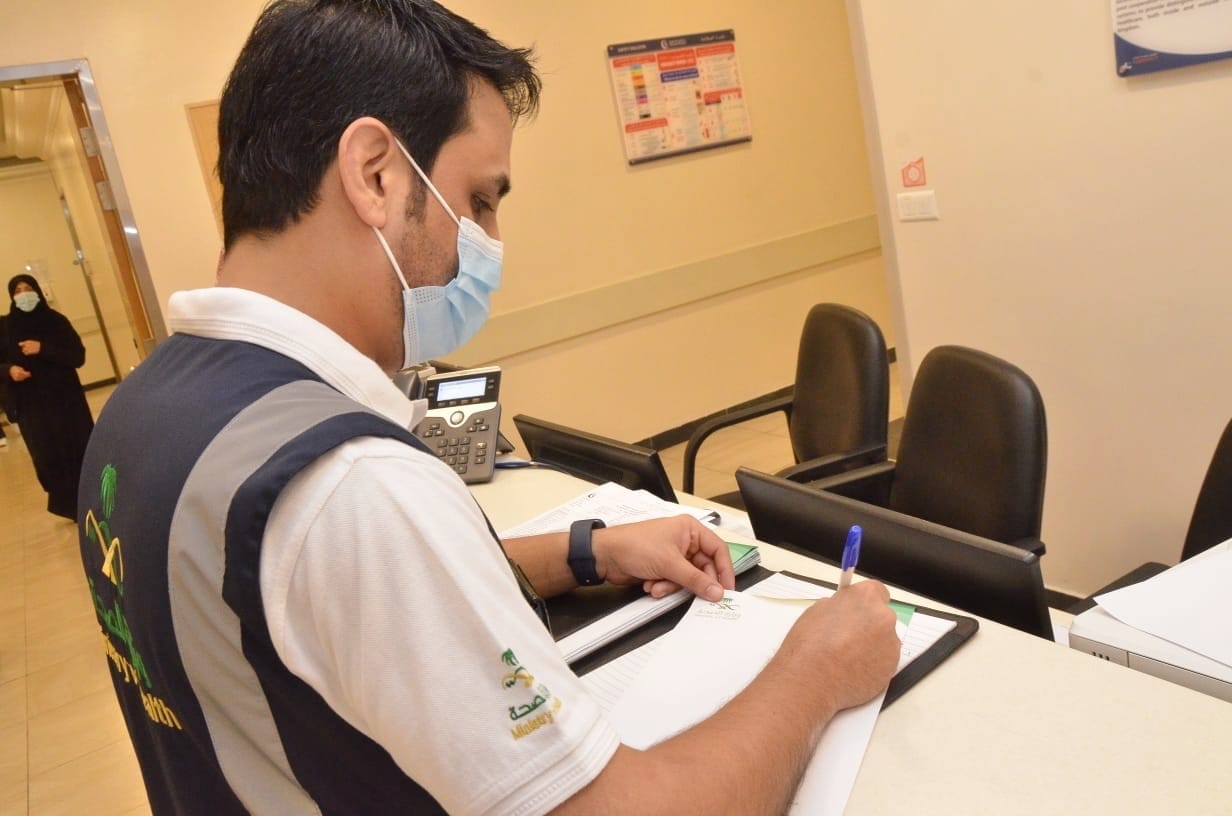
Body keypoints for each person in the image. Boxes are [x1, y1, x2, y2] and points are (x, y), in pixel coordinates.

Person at [78, 1, 901, 814]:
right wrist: (818, 668)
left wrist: (590, 551)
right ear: (375, 174)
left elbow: (327, 612)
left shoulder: (146, 412)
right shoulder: (352, 484)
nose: (491, 243)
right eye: (478, 200)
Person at [6, 274, 94, 517]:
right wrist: (10, 370)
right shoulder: (5, 328)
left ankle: (88, 502)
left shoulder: (56, 321)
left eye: (28, 288)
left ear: (37, 290)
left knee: (77, 448)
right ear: (11, 296)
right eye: (17, 291)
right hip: (32, 406)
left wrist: (42, 348)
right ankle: (65, 504)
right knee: (47, 456)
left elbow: (77, 356)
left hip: (65, 401)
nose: (24, 294)